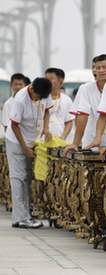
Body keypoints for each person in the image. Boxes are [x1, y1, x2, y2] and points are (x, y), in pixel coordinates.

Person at [6, 77, 53, 228]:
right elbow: (14, 125)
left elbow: (46, 111)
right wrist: (24, 148)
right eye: (37, 97)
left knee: (28, 178)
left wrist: (46, 129)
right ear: (31, 89)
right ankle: (20, 218)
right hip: (16, 142)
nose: (38, 99)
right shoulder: (20, 99)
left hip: (34, 142)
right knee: (18, 178)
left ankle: (27, 214)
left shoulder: (44, 92)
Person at [64, 54, 106, 153]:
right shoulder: (86, 88)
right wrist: (75, 143)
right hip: (91, 143)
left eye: (104, 67)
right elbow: (82, 115)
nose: (101, 70)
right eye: (97, 68)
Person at [45, 68, 75, 140]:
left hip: (60, 141)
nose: (47, 82)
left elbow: (69, 121)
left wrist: (63, 137)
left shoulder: (67, 100)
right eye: (46, 79)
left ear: (60, 81)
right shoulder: (41, 98)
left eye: (51, 79)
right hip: (41, 140)